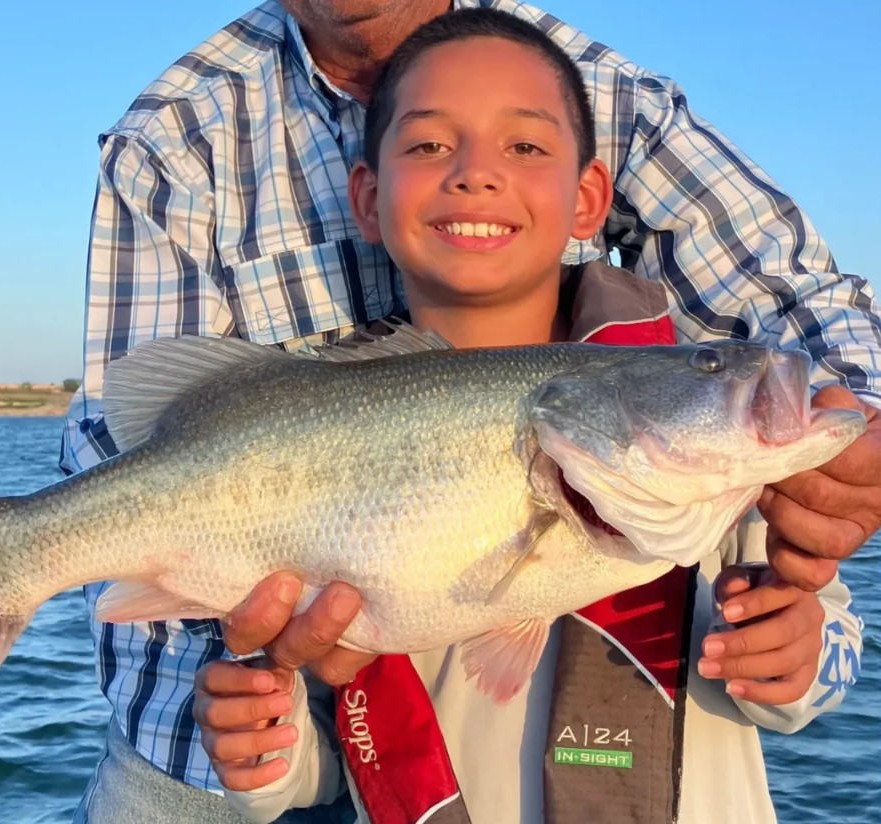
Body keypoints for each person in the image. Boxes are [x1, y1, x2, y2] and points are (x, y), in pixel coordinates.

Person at [60, 0, 879, 819]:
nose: (476, 173)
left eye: (525, 146)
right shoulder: (170, 137)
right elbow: (311, 748)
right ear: (368, 198)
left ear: (593, 195)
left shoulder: (715, 480)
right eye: (427, 145)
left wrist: (797, 662)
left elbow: (825, 647)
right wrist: (262, 734)